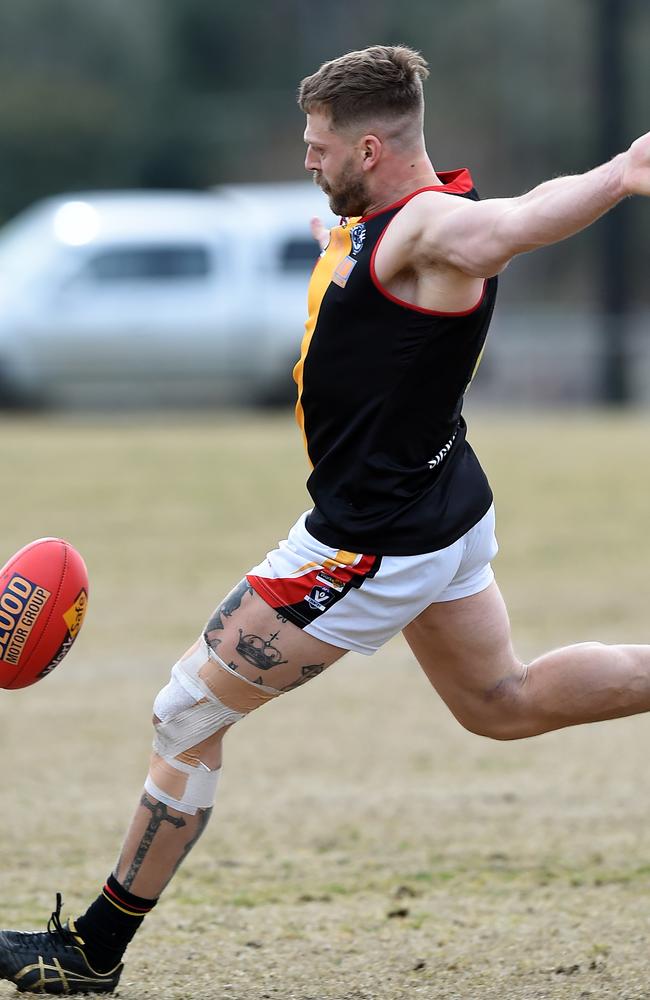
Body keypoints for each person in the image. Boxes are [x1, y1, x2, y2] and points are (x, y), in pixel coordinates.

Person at [1, 43, 650, 995]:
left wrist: (626, 174)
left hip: (369, 542)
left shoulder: (434, 229)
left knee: (184, 713)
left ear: (374, 147)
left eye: (320, 146)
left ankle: (92, 950)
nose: (309, 158)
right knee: (498, 704)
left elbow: (514, 222)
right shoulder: (376, 218)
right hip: (435, 508)